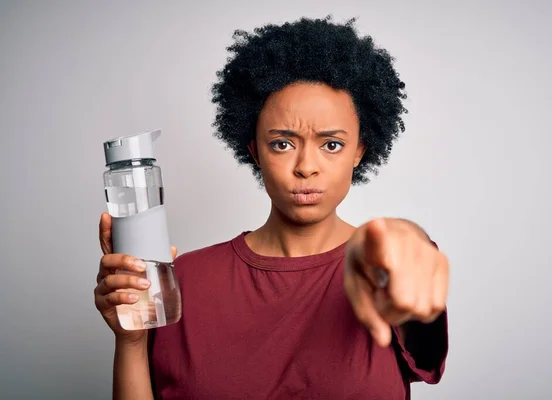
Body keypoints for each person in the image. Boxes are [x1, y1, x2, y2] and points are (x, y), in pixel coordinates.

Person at [94, 16, 449, 400]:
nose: (306, 167)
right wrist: (130, 343)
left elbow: (404, 265)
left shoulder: (387, 266)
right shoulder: (181, 283)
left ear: (360, 151)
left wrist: (405, 242)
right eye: (282, 143)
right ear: (254, 151)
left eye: (331, 144)